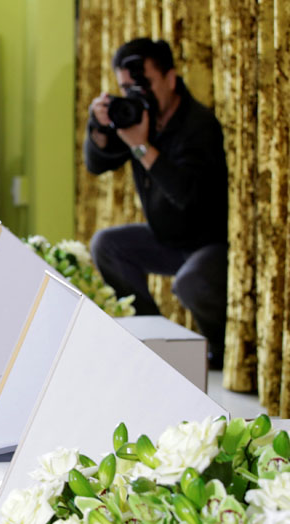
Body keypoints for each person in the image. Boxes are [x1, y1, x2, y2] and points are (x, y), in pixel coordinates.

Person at [84, 38, 228, 368]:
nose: (139, 94)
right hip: (166, 238)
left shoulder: (198, 124)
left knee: (191, 282)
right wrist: (99, 125)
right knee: (107, 244)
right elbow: (97, 164)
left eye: (144, 84)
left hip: (209, 243)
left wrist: (142, 147)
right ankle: (153, 340)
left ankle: (222, 353)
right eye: (127, 87)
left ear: (170, 78)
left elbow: (187, 197)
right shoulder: (137, 117)